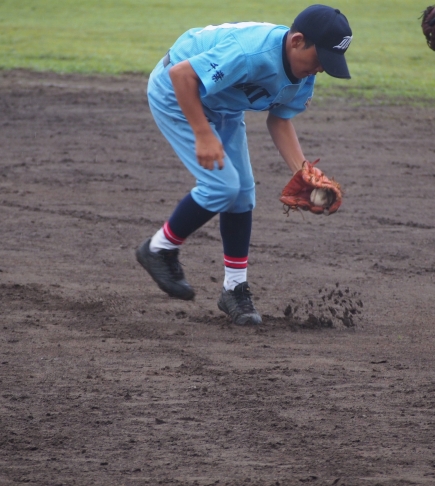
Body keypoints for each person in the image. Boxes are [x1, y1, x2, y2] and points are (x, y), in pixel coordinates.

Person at [135, 5, 353, 325]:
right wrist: (202, 133)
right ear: (296, 41)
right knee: (222, 186)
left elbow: (280, 120)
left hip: (223, 105)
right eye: (320, 59)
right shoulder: (251, 53)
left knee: (242, 195)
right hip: (177, 92)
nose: (321, 69)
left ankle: (234, 289)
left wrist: (302, 170)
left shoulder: (304, 75)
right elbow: (182, 75)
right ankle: (158, 248)